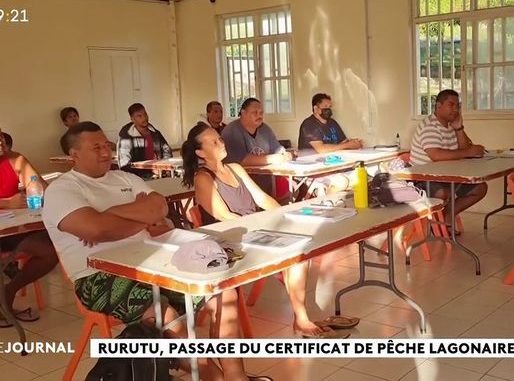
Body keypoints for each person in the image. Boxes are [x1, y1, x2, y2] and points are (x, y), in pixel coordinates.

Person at [43, 121, 270, 381]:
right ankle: (213, 377)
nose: (106, 152)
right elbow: (96, 230)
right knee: (163, 313)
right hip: (96, 277)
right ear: (74, 155)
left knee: (223, 291)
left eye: (107, 145)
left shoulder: (125, 178)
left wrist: (109, 217)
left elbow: (159, 208)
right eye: (96, 148)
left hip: (152, 264)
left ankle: (235, 376)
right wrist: (139, 219)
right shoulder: (63, 189)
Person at [182, 122, 347, 339]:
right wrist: (264, 227)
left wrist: (285, 218)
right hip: (230, 241)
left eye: (220, 139)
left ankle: (301, 319)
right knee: (293, 255)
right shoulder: (203, 178)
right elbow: (226, 218)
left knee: (299, 252)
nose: (221, 143)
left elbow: (262, 199)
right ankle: (302, 320)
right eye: (214, 142)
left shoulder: (236, 169)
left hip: (256, 232)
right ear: (200, 152)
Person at [0, 128, 58, 326]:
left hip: (12, 229)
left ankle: (9, 291)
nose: (0, 140)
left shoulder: (15, 160)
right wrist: (7, 203)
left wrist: (34, 191)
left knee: (50, 249)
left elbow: (42, 189)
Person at [409, 89, 488, 219]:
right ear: (438, 106)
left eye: (458, 106)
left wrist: (459, 128)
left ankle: (446, 217)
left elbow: (465, 148)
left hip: (448, 176)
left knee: (480, 188)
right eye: (451, 105)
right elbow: (436, 155)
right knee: (442, 193)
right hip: (425, 179)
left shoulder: (451, 124)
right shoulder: (429, 126)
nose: (455, 109)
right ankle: (437, 224)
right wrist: (468, 151)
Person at [221, 98, 291, 195]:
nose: (259, 116)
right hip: (240, 190)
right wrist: (273, 158)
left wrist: (286, 154)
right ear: (243, 113)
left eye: (261, 113)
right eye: (254, 112)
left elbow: (278, 149)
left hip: (267, 185)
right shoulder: (232, 131)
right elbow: (243, 160)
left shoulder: (265, 129)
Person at [117, 103, 172, 180]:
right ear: (132, 119)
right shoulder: (126, 138)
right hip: (139, 179)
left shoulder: (155, 133)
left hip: (160, 175)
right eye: (139, 116)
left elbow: (167, 150)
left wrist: (164, 167)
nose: (144, 118)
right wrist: (150, 171)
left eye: (145, 114)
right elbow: (124, 165)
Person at [298, 93, 363, 154]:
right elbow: (321, 149)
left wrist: (354, 143)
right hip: (312, 162)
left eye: (330, 107)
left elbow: (344, 142)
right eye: (325, 106)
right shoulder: (309, 124)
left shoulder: (332, 122)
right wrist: (347, 145)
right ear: (316, 109)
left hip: (333, 159)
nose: (328, 109)